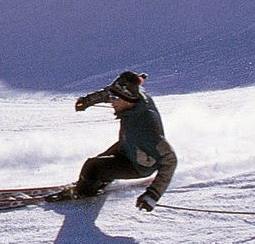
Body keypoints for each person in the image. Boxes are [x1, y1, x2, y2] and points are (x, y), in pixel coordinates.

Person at [70, 70, 176, 211]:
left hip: (139, 164)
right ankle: (96, 181)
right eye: (111, 97)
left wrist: (153, 194)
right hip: (128, 146)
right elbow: (110, 92)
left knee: (92, 166)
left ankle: (83, 192)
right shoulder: (135, 98)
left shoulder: (146, 126)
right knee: (98, 163)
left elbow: (170, 159)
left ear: (127, 99)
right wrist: (87, 101)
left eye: (114, 98)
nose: (111, 101)